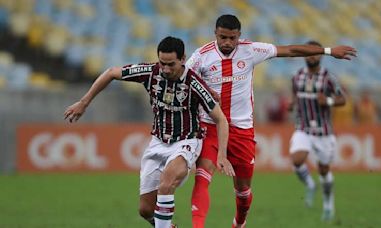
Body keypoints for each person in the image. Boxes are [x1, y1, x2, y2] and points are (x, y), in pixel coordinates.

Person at [186, 14, 356, 228]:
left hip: (241, 131)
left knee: (243, 192)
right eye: (222, 37)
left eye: (232, 38)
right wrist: (206, 90)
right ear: (215, 33)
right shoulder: (201, 56)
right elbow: (184, 79)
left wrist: (328, 51)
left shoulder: (251, 50)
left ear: (239, 36)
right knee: (202, 176)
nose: (227, 42)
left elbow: (291, 50)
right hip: (210, 125)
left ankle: (239, 223)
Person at [64, 36, 235, 228]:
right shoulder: (150, 72)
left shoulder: (194, 83)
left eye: (171, 64)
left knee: (166, 184)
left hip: (186, 142)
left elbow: (220, 119)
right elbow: (111, 72)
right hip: (157, 142)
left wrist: (221, 154)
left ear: (182, 59)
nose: (166, 69)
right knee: (145, 210)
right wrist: (84, 102)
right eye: (162, 63)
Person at [288, 40, 346, 221]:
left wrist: (328, 101)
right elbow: (294, 96)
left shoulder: (328, 77)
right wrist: (292, 104)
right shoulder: (297, 76)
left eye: (314, 53)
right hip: (303, 128)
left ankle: (328, 205)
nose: (311, 56)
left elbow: (342, 99)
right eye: (308, 53)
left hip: (324, 132)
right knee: (297, 159)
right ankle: (310, 185)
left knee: (324, 170)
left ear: (320, 56)